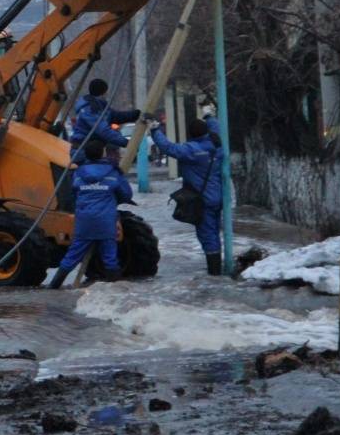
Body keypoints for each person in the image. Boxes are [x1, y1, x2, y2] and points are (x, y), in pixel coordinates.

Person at [48, 141, 134, 288]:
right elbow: (126, 194)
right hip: (106, 222)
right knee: (110, 258)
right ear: (103, 153)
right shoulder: (113, 172)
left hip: (84, 222)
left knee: (72, 257)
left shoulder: (77, 173)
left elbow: (71, 196)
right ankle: (116, 295)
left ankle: (53, 288)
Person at [148, 111, 224, 275]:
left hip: (202, 200)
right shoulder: (216, 143)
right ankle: (218, 268)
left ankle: (215, 273)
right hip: (218, 196)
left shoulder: (191, 150)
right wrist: (209, 117)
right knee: (214, 231)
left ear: (191, 134)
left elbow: (168, 147)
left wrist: (155, 130)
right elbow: (216, 128)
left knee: (207, 235)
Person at [69, 79, 139, 161]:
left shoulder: (100, 106)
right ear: (103, 92)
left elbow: (115, 116)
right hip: (83, 151)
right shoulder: (90, 109)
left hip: (90, 150)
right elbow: (103, 130)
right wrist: (127, 143)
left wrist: (133, 115)